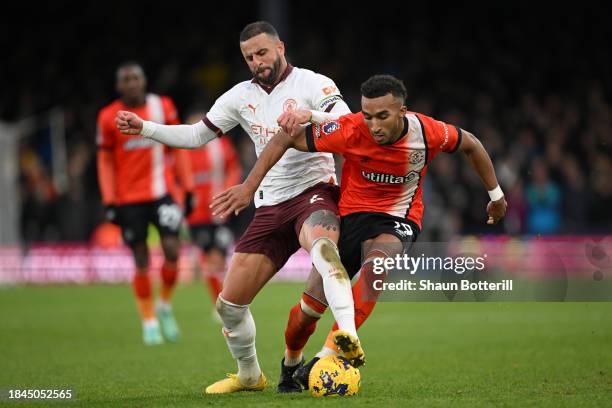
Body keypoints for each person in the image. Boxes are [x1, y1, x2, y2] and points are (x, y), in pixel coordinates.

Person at [211, 74, 508, 389]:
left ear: (402, 111)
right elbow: (286, 138)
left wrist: (497, 196)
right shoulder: (350, 129)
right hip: (350, 219)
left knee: (376, 268)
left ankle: (325, 356)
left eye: (383, 116)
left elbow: (472, 145)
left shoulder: (427, 131)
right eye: (368, 116)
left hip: (397, 217)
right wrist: (249, 186)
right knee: (308, 312)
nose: (374, 125)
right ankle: (291, 362)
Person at [114, 22, 364, 394]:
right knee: (229, 305)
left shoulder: (313, 83)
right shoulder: (239, 96)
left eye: (262, 52)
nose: (256, 61)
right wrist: (146, 128)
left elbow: (347, 123)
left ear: (280, 46)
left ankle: (348, 336)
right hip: (269, 204)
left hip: (314, 191)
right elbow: (197, 135)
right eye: (249, 57)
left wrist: (308, 115)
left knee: (325, 251)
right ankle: (250, 376)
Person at [97, 62, 194, 346]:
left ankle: (164, 303)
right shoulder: (106, 117)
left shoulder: (162, 105)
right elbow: (105, 161)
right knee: (140, 259)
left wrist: (187, 188)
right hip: (129, 200)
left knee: (173, 250)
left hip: (162, 194)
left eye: (135, 78)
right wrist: (109, 200)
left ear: (144, 81)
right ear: (118, 86)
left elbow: (179, 144)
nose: (131, 83)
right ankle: (148, 319)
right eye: (125, 79)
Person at [183, 108, 242, 315]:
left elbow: (234, 169)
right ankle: (220, 305)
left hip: (219, 211)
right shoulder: (183, 150)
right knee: (210, 259)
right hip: (196, 215)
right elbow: (174, 178)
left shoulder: (221, 146)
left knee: (219, 258)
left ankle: (225, 303)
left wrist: (226, 193)